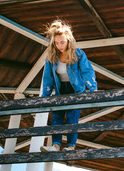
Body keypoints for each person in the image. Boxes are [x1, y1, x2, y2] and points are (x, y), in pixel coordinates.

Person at [40, 19, 97, 152]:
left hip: (76, 90)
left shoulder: (78, 54)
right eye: (57, 42)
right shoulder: (51, 57)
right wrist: (44, 96)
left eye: (62, 42)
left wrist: (93, 89)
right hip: (60, 90)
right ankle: (56, 145)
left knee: (72, 119)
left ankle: (70, 146)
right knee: (57, 118)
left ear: (69, 41)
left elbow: (87, 72)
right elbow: (48, 78)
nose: (60, 45)